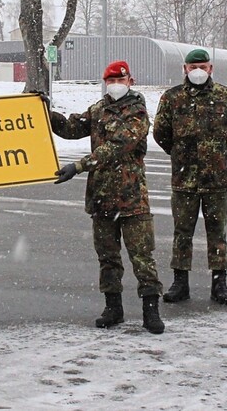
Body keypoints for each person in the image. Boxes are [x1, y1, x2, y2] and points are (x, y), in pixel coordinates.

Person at [49, 60, 165, 334]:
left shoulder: (137, 112)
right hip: (102, 198)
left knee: (142, 256)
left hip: (132, 198)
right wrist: (45, 111)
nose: (114, 86)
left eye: (119, 81)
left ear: (130, 82)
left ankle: (151, 310)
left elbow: (117, 147)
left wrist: (77, 166)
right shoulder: (99, 110)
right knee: (108, 257)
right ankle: (113, 308)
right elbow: (71, 128)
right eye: (110, 81)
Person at [153, 48, 227, 305]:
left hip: (215, 178)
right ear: (184, 69)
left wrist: (217, 150)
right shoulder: (172, 98)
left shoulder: (224, 96)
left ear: (211, 68)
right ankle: (180, 283)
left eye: (203, 67)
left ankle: (219, 284)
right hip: (184, 179)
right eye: (193, 67)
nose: (198, 71)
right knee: (182, 232)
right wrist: (180, 154)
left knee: (217, 231)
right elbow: (161, 132)